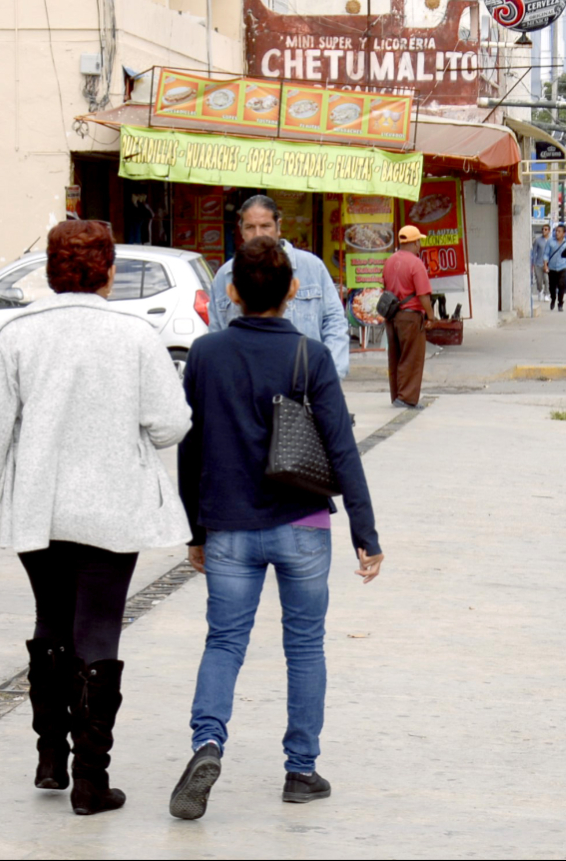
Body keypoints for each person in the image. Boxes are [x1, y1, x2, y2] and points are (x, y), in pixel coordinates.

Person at [0, 221, 192, 816]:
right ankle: (91, 781)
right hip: (112, 504)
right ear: (108, 271)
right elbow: (171, 423)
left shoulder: (18, 335)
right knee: (99, 630)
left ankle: (50, 757)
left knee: (51, 620)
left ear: (51, 273)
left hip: (38, 504)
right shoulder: (134, 335)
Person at [170, 236, 383, 821]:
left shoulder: (207, 354)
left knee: (224, 642)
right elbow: (341, 447)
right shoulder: (310, 356)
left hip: (230, 527)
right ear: (293, 290)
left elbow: (190, 449)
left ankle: (208, 744)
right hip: (303, 523)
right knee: (305, 646)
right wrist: (365, 533)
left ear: (232, 292)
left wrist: (195, 530)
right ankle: (301, 769)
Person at [208, 195, 351, 379]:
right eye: (250, 227)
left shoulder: (311, 267)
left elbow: (335, 323)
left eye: (265, 226)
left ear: (278, 227)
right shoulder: (225, 275)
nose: (258, 234)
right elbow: (217, 332)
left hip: (303, 386)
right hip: (245, 388)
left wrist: (328, 376)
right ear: (241, 230)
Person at [382, 225, 436, 409]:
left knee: (395, 357)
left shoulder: (389, 261)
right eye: (418, 241)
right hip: (411, 317)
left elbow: (385, 287)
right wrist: (431, 316)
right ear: (413, 243)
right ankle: (407, 398)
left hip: (392, 317)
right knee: (411, 358)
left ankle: (397, 396)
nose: (419, 245)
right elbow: (423, 294)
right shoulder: (416, 264)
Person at [543, 223, 566, 311]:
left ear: (564, 233)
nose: (557, 233)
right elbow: (546, 254)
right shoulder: (550, 242)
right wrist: (545, 265)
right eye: (556, 231)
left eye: (559, 231)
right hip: (552, 268)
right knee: (552, 286)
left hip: (562, 268)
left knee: (561, 285)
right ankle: (553, 299)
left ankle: (560, 303)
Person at [530, 224, 551, 299]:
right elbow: (534, 252)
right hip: (538, 263)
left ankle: (547, 294)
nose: (543, 231)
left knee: (547, 279)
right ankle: (540, 290)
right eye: (543, 229)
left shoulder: (551, 240)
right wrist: (534, 263)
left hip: (548, 263)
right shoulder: (538, 240)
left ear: (549, 231)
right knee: (539, 280)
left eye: (545, 229)